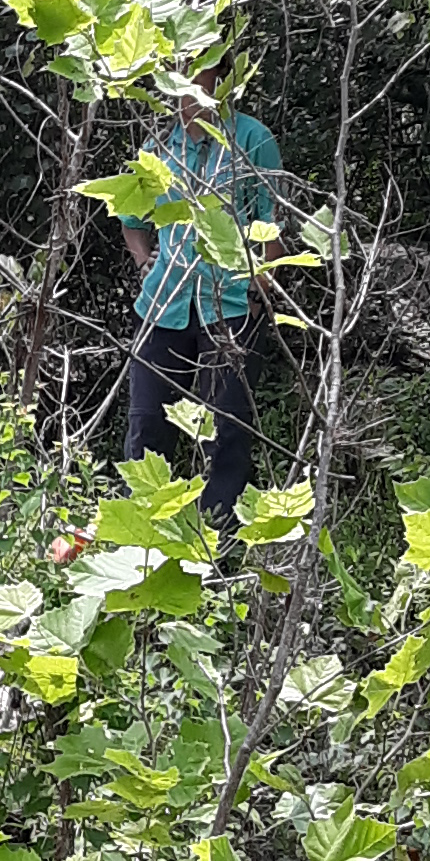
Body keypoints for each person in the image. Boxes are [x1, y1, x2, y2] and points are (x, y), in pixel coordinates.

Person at [111, 85, 286, 529]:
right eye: (182, 69)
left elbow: (273, 225)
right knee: (148, 425)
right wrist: (143, 260)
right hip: (164, 304)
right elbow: (130, 218)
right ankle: (143, 539)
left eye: (202, 67)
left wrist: (259, 286)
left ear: (223, 75)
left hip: (229, 305)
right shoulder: (156, 146)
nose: (191, 84)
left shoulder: (252, 140)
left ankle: (215, 548)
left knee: (226, 432)